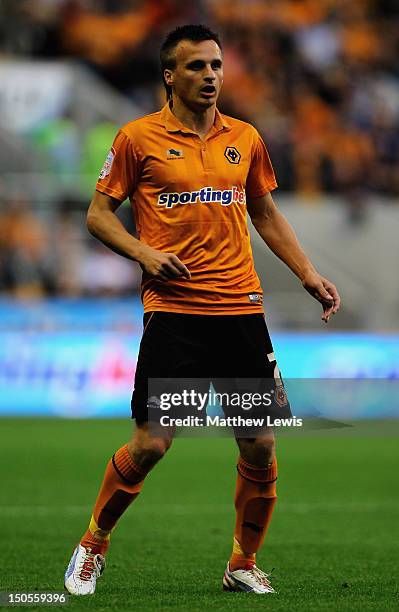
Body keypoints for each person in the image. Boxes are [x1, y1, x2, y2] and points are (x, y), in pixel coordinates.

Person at [64, 24, 340, 596]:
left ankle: (242, 562)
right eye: (196, 67)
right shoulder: (137, 138)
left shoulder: (245, 137)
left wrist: (309, 275)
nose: (210, 75)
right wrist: (145, 253)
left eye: (215, 65)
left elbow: (264, 214)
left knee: (260, 444)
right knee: (152, 444)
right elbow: (97, 215)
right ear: (170, 75)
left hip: (241, 309)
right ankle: (93, 542)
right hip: (174, 313)